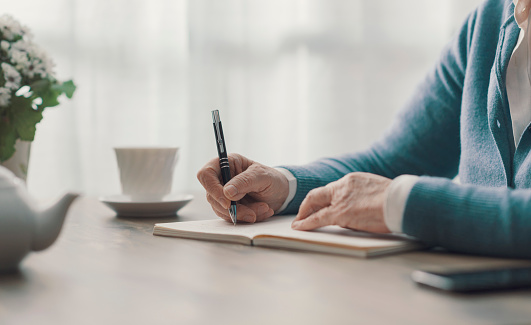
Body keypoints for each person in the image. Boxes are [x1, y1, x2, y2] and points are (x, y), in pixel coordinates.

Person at [197, 0, 531, 258]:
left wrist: (401, 203)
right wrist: (281, 185)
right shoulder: (487, 23)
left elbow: (390, 188)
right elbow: (394, 161)